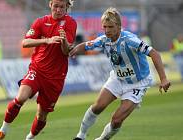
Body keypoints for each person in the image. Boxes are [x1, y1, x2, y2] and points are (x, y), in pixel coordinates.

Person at [70, 7, 171, 140]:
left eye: (110, 27)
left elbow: (154, 54)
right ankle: (80, 136)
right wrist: (73, 50)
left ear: (118, 26)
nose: (106, 31)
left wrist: (163, 79)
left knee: (117, 120)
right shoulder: (104, 39)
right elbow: (86, 45)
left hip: (137, 83)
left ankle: (101, 139)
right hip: (118, 79)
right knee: (97, 107)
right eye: (104, 27)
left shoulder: (130, 40)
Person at [0, 0, 77, 140]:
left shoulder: (70, 23)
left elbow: (66, 52)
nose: (58, 10)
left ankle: (30, 138)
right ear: (50, 5)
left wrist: (64, 40)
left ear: (67, 7)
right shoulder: (41, 22)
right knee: (20, 98)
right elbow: (25, 42)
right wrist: (46, 40)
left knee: (42, 115)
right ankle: (2, 131)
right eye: (56, 6)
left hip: (55, 76)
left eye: (62, 7)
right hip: (37, 69)